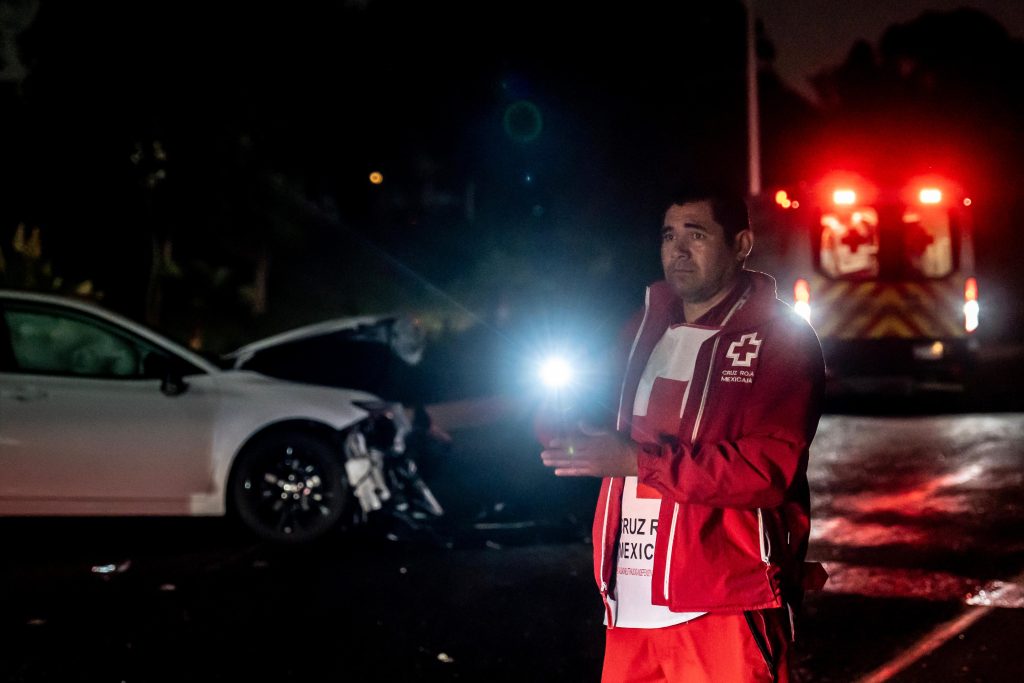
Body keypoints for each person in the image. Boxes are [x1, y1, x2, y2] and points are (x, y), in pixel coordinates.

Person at [541, 186, 826, 683]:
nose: (678, 249)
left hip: (723, 604)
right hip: (629, 602)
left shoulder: (779, 339)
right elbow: (595, 423)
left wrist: (638, 464)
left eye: (696, 234)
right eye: (669, 235)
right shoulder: (641, 327)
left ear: (740, 245)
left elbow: (764, 472)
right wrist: (559, 419)